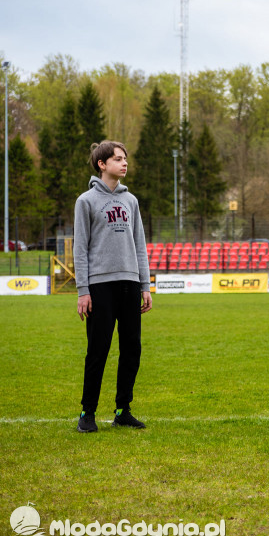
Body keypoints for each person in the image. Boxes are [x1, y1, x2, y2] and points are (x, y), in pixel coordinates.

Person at [73, 141, 152, 433]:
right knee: (98, 351)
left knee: (132, 349)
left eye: (126, 158)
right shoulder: (85, 201)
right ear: (101, 164)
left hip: (130, 285)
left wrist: (145, 284)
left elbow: (139, 245)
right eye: (118, 159)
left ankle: (122, 410)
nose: (124, 163)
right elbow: (80, 249)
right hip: (100, 287)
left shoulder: (131, 201)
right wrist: (83, 290)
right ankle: (87, 412)